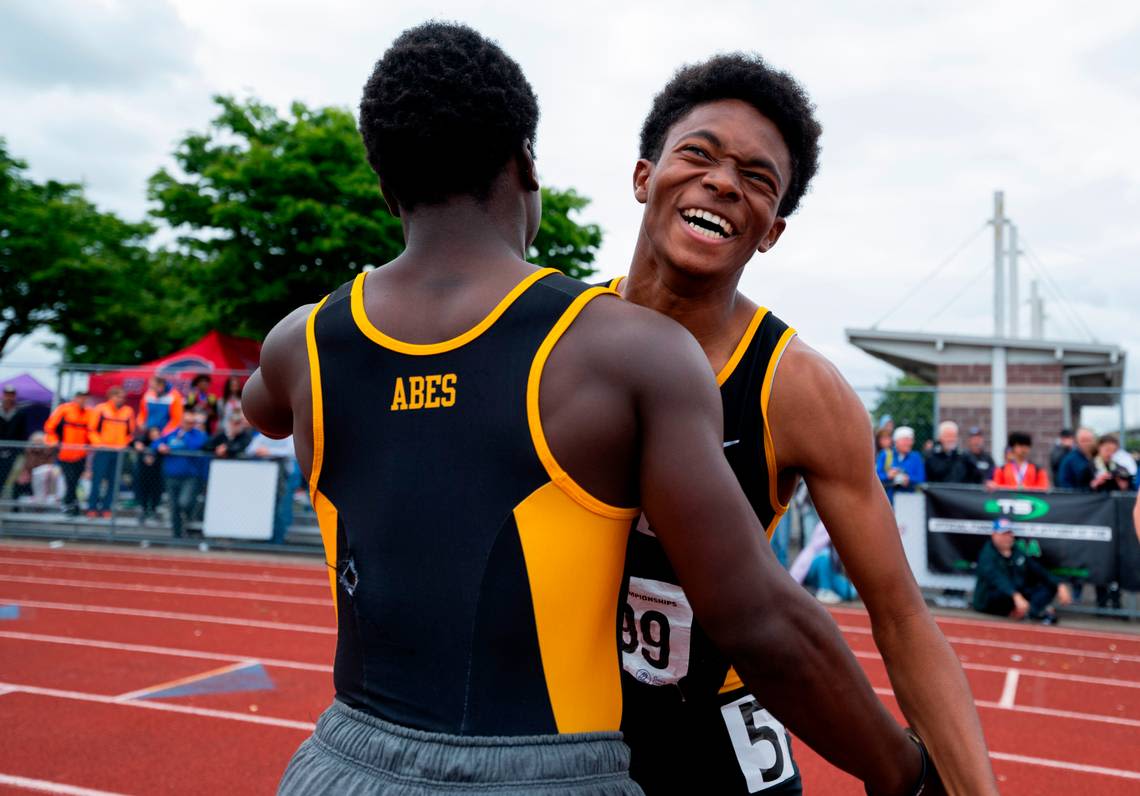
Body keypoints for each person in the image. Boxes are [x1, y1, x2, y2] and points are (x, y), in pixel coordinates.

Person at [244, 24, 933, 796]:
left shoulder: (304, 342)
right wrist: (905, 771)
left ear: (385, 185)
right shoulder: (622, 348)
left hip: (340, 763)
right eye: (699, 154)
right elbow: (758, 618)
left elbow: (261, 407)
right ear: (527, 163)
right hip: (543, 772)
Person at [608, 54, 991, 794]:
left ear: (771, 230)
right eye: (699, 153)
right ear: (643, 177)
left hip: (713, 740)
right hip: (564, 722)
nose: (723, 182)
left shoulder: (799, 389)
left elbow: (902, 617)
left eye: (757, 177)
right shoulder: (555, 335)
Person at [972, 523, 1072, 624]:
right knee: (999, 593)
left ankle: (1028, 612)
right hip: (994, 598)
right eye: (1004, 534)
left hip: (1017, 594)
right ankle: (1027, 612)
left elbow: (1038, 569)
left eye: (1010, 533)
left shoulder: (1016, 551)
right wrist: (1016, 596)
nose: (1008, 537)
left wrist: (1060, 584)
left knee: (1049, 587)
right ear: (994, 535)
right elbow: (997, 579)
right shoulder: (987, 555)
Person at [154, 411, 208, 538]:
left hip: (190, 476)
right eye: (187, 422)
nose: (189, 425)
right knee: (174, 507)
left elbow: (195, 446)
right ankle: (177, 534)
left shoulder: (198, 435)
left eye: (192, 423)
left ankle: (189, 519)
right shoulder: (173, 434)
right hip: (171, 475)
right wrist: (160, 446)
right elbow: (157, 442)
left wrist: (183, 438)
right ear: (181, 422)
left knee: (184, 502)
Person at [43, 389, 95, 515]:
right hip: (64, 453)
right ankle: (70, 505)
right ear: (75, 398)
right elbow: (50, 427)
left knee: (75, 480)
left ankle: (72, 505)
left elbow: (92, 432)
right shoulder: (64, 409)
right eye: (80, 397)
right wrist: (54, 442)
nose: (83, 400)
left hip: (81, 454)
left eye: (85, 398)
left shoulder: (89, 412)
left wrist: (93, 445)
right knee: (69, 479)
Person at [86, 386, 135, 517]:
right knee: (97, 480)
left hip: (118, 452)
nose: (121, 399)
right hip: (103, 451)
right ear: (111, 396)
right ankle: (92, 508)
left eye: (122, 397)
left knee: (114, 481)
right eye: (118, 396)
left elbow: (130, 433)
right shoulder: (100, 409)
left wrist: (123, 444)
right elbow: (91, 429)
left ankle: (106, 508)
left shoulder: (128, 411)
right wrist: (99, 444)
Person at [877, 426, 926, 502]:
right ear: (896, 441)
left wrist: (908, 479)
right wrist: (888, 475)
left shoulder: (916, 457)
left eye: (911, 440)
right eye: (905, 440)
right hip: (888, 500)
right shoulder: (885, 455)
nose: (909, 443)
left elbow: (921, 479)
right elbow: (875, 477)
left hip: (910, 500)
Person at [0, 384, 29, 498]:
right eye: (7, 394)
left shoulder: (20, 413)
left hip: (12, 450)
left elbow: (23, 433)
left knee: (5, 474)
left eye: (11, 395)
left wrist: (21, 450)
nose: (9, 397)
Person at [135, 426, 164, 524]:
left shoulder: (161, 443)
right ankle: (144, 511)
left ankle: (154, 510)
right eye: (153, 434)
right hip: (144, 473)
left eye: (156, 434)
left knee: (155, 493)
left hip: (156, 473)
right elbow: (134, 443)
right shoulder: (143, 442)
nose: (154, 436)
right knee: (144, 492)